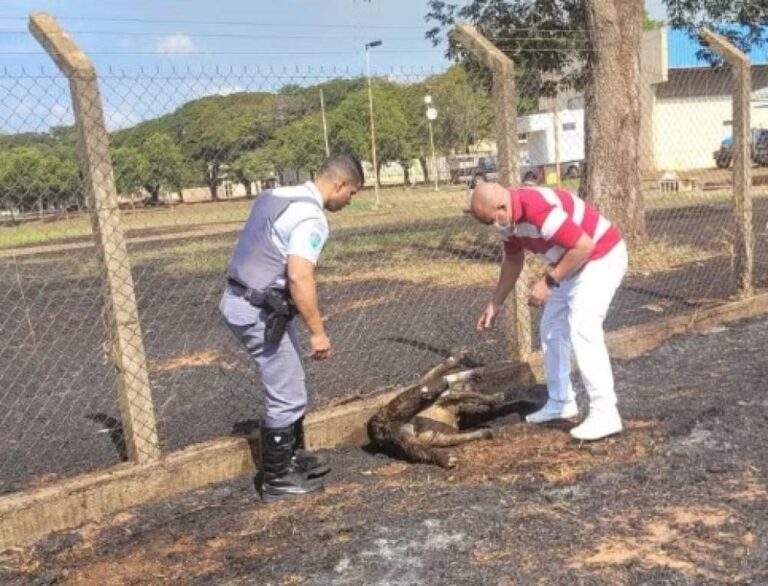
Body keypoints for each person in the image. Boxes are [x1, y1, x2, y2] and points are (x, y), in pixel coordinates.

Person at [219, 154, 363, 501]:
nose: (350, 200)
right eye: (352, 193)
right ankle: (277, 479)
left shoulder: (277, 195)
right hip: (258, 310)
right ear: (339, 185)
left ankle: (292, 457)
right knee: (286, 390)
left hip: (244, 298)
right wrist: (317, 331)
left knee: (291, 376)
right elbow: (299, 275)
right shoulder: (311, 217)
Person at [469, 182, 628, 441]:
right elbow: (513, 259)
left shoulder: (536, 208)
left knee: (583, 326)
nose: (493, 227)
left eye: (491, 220)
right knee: (551, 330)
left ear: (501, 206)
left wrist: (549, 282)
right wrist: (495, 302)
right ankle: (561, 401)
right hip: (572, 263)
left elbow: (583, 246)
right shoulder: (508, 221)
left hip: (601, 256)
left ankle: (605, 412)